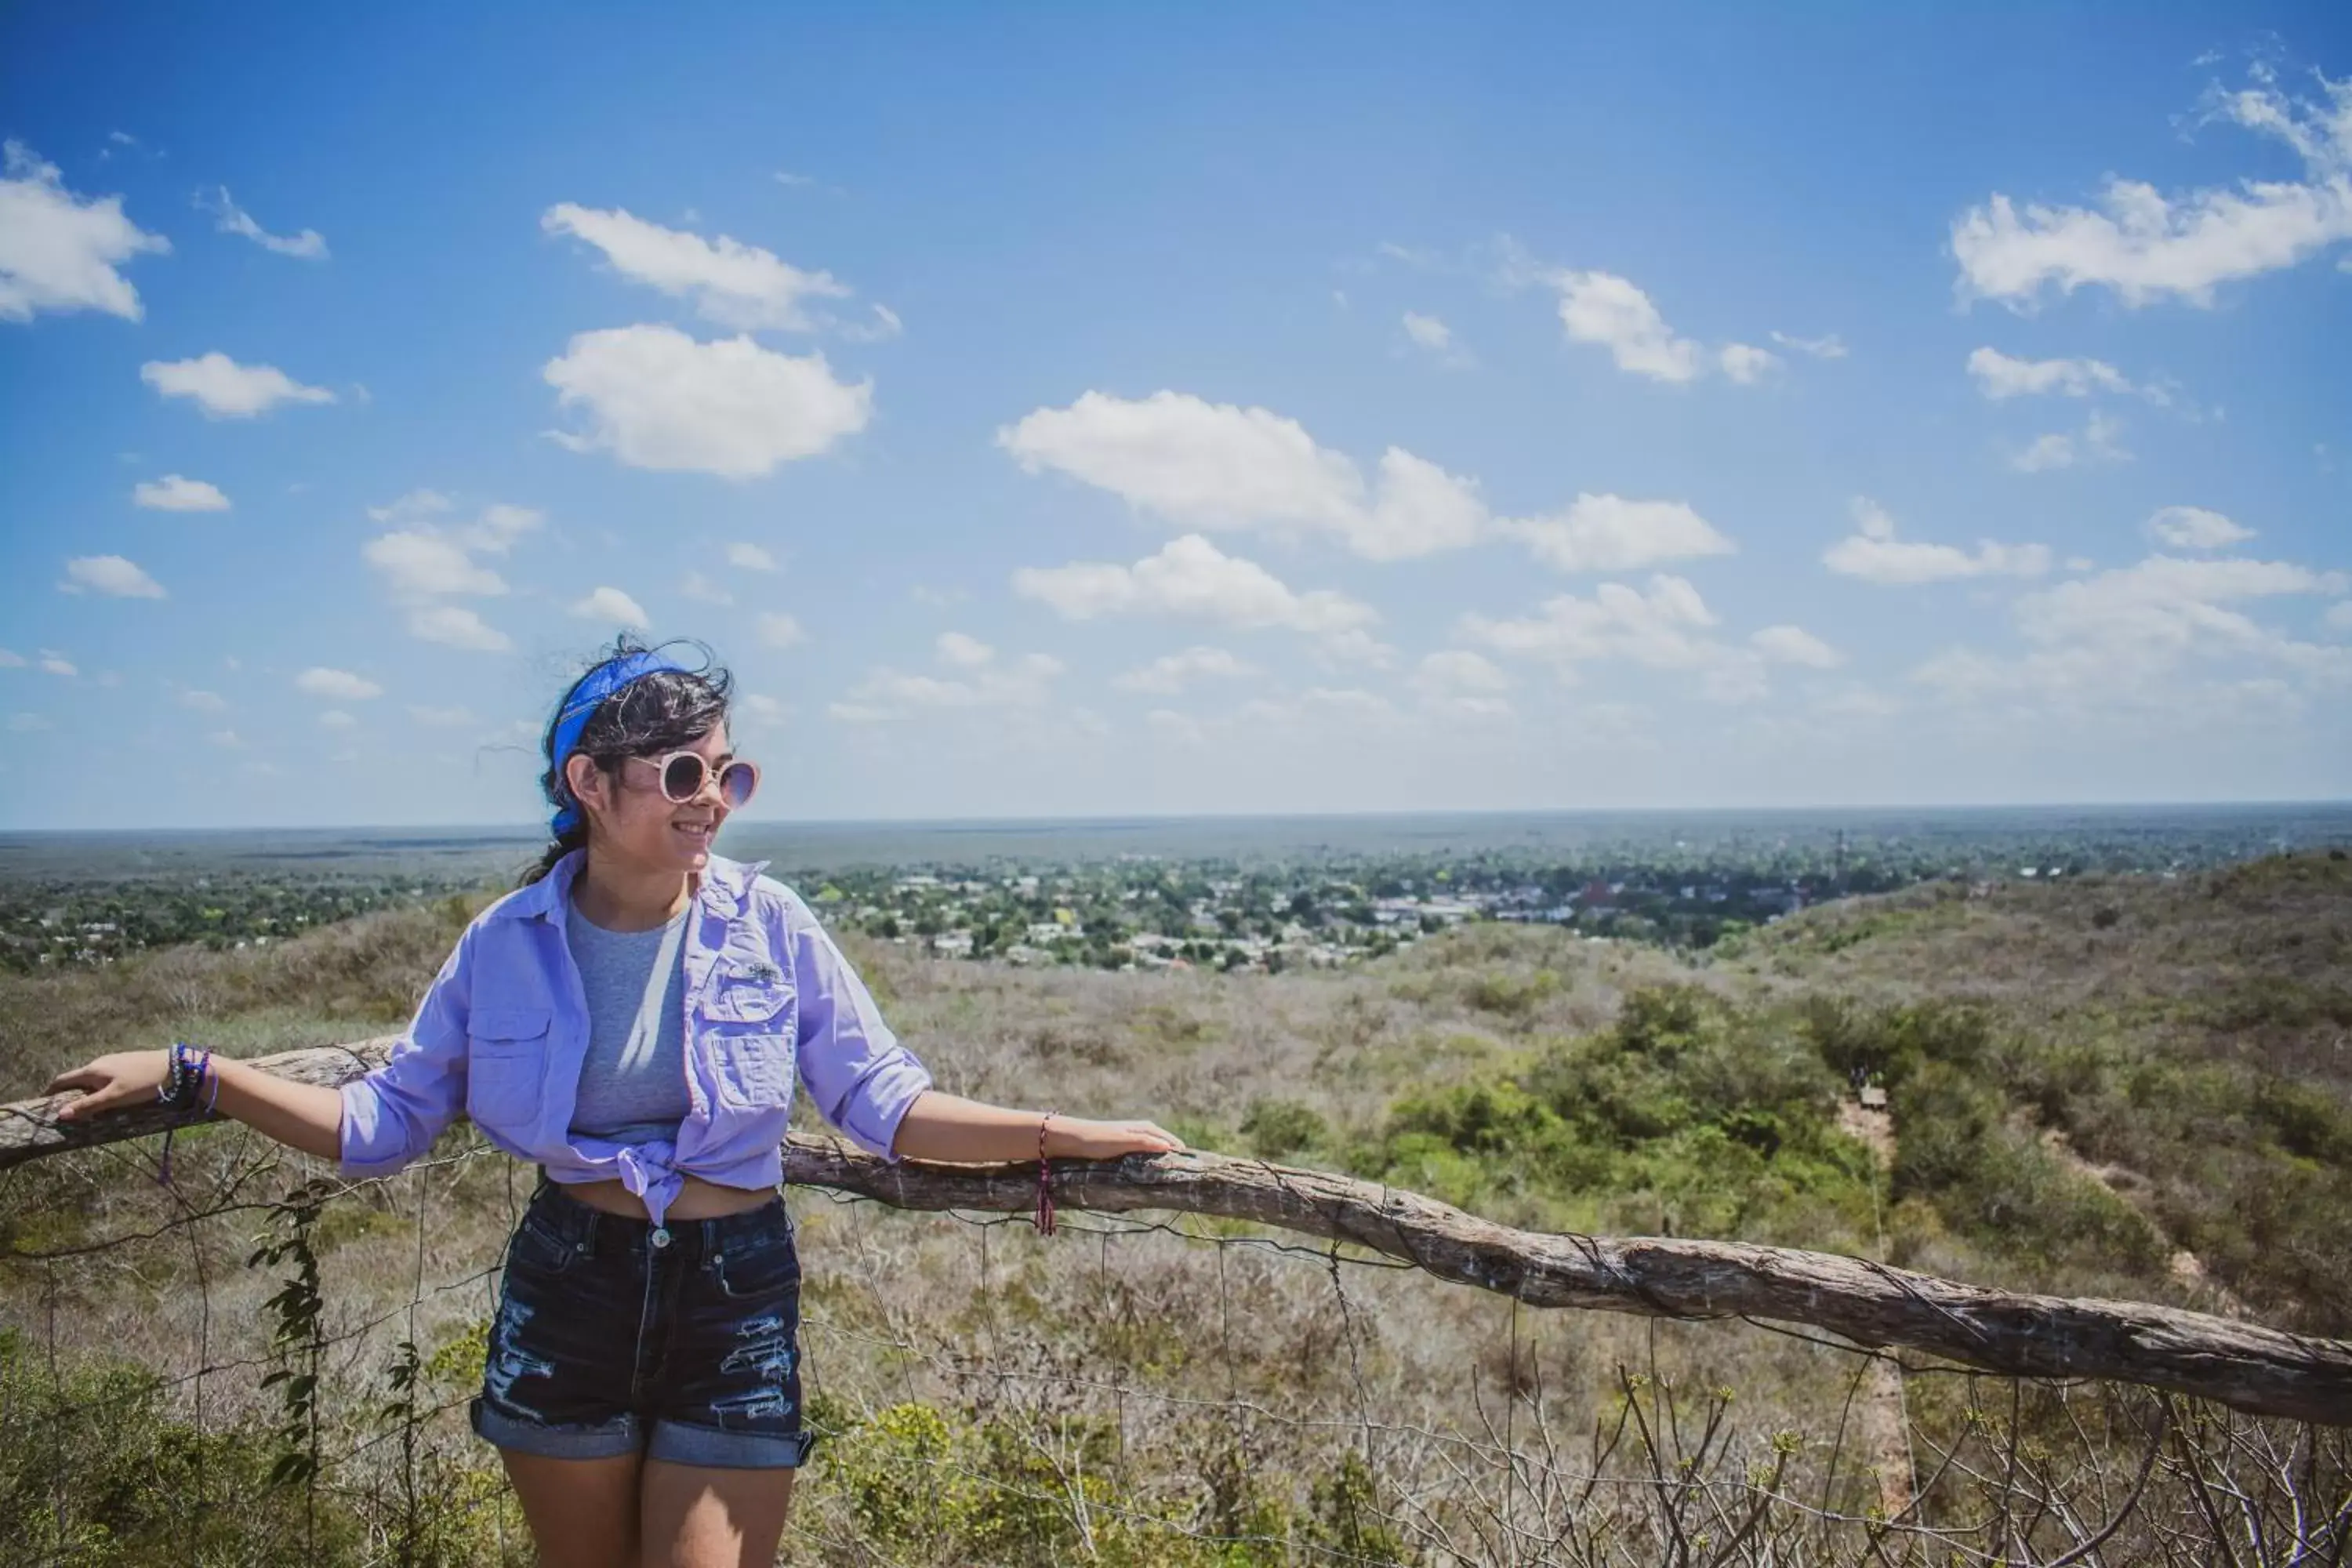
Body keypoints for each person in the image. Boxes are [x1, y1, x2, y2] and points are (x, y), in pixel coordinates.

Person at [48, 637, 1185, 1567]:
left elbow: (881, 1103)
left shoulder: (769, 926)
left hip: (734, 1291)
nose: (715, 804)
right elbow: (378, 1125)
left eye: (729, 774)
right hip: (570, 1288)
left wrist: (1056, 1137)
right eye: (684, 775)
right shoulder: (504, 947)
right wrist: (198, 1072)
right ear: (587, 784)